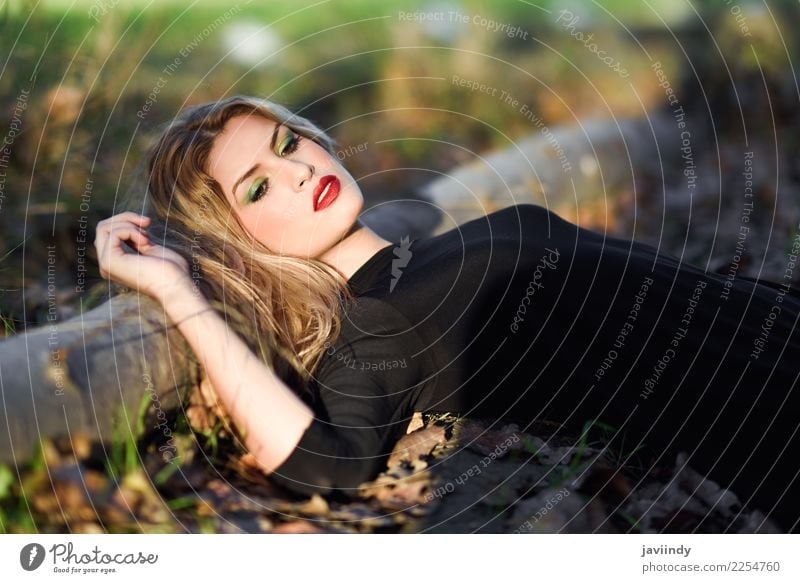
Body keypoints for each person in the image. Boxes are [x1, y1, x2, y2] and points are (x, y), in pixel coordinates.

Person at [95, 95, 800, 533]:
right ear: (236, 242)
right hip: (770, 415)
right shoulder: (373, 327)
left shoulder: (422, 253)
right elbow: (322, 463)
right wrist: (180, 293)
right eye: (257, 187)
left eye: (287, 144)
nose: (299, 170)